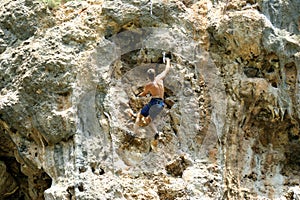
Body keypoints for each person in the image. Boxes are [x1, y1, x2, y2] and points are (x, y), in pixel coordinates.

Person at [133, 58, 171, 138]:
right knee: (149, 120)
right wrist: (168, 60)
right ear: (154, 74)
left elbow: (143, 94)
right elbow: (167, 69)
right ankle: (156, 133)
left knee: (139, 115)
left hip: (154, 102)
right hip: (161, 103)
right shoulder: (160, 78)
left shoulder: (149, 85)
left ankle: (134, 132)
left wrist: (138, 96)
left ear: (148, 76)